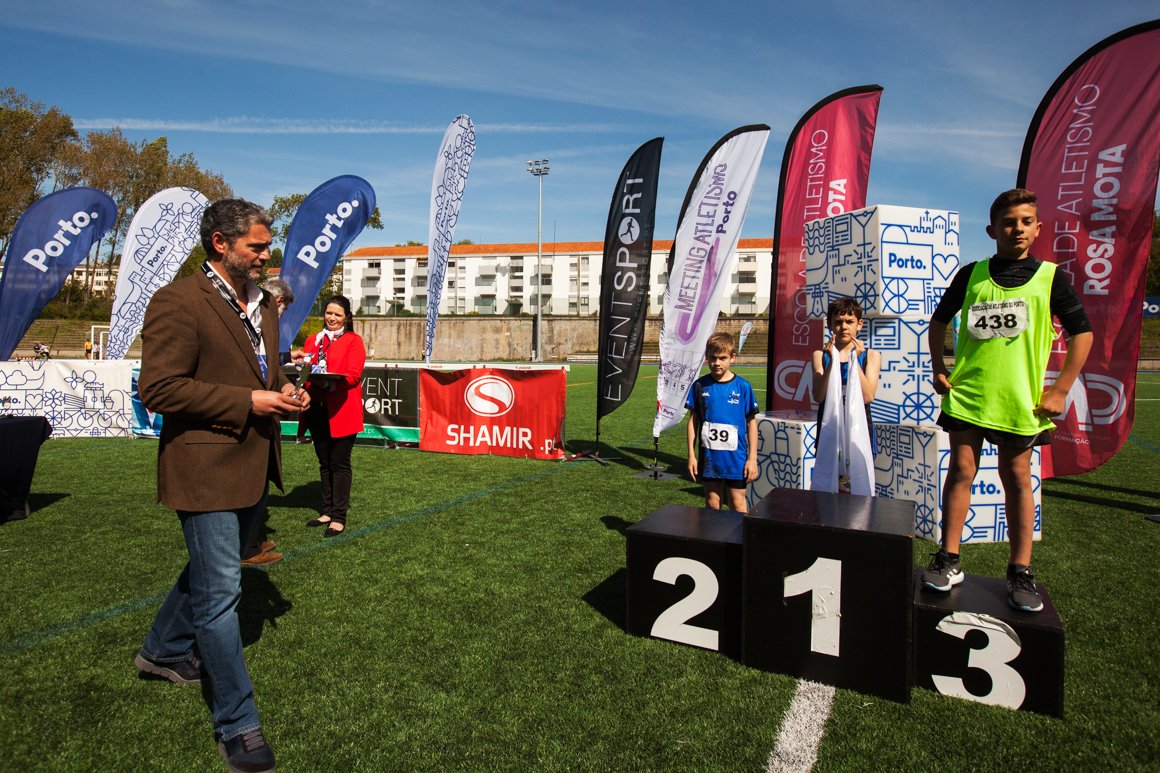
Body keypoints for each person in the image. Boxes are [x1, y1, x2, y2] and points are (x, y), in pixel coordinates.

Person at [134, 198, 308, 772]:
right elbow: (158, 389)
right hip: (204, 470)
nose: (265, 256)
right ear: (221, 244)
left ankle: (161, 651)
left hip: (255, 466)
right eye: (257, 246)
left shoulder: (265, 303)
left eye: (266, 246)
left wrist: (284, 389)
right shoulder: (178, 301)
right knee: (220, 596)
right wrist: (248, 401)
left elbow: (265, 370)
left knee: (213, 572)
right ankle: (239, 725)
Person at [922, 188, 1092, 613]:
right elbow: (938, 321)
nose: (1017, 229)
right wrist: (939, 367)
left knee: (1016, 478)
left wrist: (1060, 389)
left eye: (1025, 222)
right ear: (991, 230)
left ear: (1038, 228)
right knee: (961, 470)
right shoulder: (971, 274)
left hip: (1020, 401)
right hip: (968, 395)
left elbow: (1083, 334)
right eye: (1008, 222)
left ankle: (1020, 571)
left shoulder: (1050, 277)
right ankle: (949, 558)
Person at [239, 277, 299, 569]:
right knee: (247, 485)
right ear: (277, 302)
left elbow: (270, 367)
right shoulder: (247, 321)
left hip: (264, 421)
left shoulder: (266, 327)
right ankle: (246, 547)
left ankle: (250, 540)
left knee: (259, 483)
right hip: (244, 416)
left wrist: (285, 385)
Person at [299, 295, 366, 536]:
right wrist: (302, 386)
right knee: (324, 461)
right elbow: (305, 372)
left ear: (347, 318)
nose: (332, 318)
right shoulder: (312, 340)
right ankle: (327, 510)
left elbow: (354, 375)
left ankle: (338, 516)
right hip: (317, 409)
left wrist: (330, 383)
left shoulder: (353, 341)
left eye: (338, 314)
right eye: (329, 313)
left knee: (339, 463)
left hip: (341, 410)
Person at [811, 298, 880, 494]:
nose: (843, 327)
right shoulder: (820, 355)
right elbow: (818, 395)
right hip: (830, 431)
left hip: (859, 432)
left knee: (858, 490)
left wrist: (854, 361)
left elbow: (868, 396)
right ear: (829, 324)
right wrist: (832, 362)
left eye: (849, 322)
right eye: (838, 322)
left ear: (859, 324)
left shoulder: (871, 355)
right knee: (828, 491)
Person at [685, 331, 760, 512]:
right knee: (712, 502)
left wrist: (752, 459)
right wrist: (691, 455)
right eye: (713, 358)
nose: (717, 363)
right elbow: (693, 422)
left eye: (722, 358)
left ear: (732, 357)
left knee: (737, 503)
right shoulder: (699, 386)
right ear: (706, 357)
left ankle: (741, 532)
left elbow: (751, 423)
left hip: (736, 458)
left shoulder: (743, 387)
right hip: (710, 458)